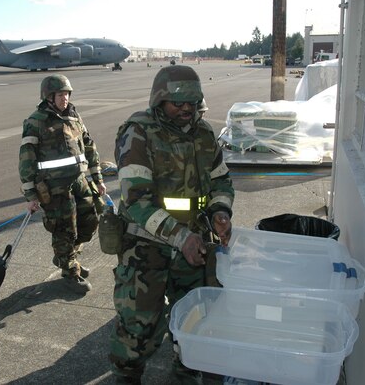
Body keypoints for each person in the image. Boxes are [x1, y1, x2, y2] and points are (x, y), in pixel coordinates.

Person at [109, 65, 234, 384]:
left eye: (192, 103)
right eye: (178, 103)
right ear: (159, 101)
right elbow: (136, 201)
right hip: (146, 248)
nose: (186, 110)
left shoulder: (204, 134)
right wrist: (181, 237)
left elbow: (221, 181)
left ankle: (187, 367)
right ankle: (127, 374)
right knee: (140, 327)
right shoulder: (138, 132)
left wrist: (221, 212)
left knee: (195, 318)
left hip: (194, 246)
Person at [19, 74, 106, 295]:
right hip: (55, 187)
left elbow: (89, 147)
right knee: (64, 230)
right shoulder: (36, 122)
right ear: (49, 96)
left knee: (91, 220)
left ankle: (68, 258)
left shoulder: (74, 118)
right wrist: (31, 196)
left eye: (67, 94)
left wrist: (98, 180)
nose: (64, 99)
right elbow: (26, 158)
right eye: (60, 95)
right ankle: (70, 272)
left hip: (79, 181)